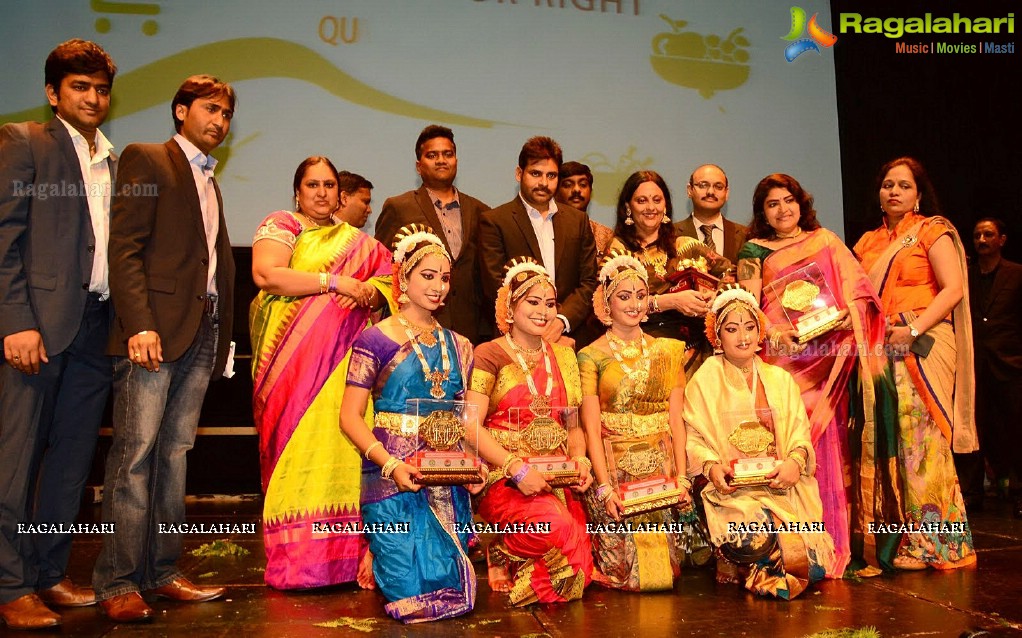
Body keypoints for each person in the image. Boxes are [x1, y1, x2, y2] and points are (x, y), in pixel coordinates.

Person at [93, 75, 237, 622]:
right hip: (152, 334)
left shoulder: (211, 180)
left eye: (226, 113)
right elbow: (124, 248)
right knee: (134, 457)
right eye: (210, 109)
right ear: (180, 111)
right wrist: (139, 323)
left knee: (174, 457)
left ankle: (162, 570)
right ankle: (117, 582)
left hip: (200, 332)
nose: (219, 120)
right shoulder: (146, 158)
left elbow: (212, 263)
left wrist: (222, 335)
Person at [0, 39, 116, 630]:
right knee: (15, 461)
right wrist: (15, 321)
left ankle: (48, 572)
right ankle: (9, 582)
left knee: (71, 464)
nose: (92, 98)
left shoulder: (113, 159)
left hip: (96, 328)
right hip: (37, 328)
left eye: (99, 89)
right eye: (79, 87)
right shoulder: (25, 142)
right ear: (53, 93)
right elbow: (4, 239)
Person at [735, 174, 892, 578]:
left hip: (826, 361)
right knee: (787, 445)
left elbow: (860, 295)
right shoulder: (752, 251)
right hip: (783, 363)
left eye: (789, 201)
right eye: (773, 204)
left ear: (801, 203)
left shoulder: (825, 241)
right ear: (762, 212)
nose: (783, 209)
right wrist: (772, 333)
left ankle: (833, 542)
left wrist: (846, 315)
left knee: (827, 450)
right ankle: (794, 545)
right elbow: (748, 307)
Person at [249, 156, 392, 590]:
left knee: (343, 453)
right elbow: (267, 275)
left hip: (343, 373)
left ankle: (344, 561)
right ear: (297, 191)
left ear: (340, 193)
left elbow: (391, 283)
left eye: (329, 185)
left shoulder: (359, 243)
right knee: (294, 459)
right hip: (288, 374)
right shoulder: (283, 225)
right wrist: (336, 283)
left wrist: (369, 290)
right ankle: (297, 564)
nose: (322, 192)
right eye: (312, 185)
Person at [852, 156, 976, 571]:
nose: (894, 192)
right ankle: (901, 540)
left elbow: (953, 288)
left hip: (923, 344)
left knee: (924, 444)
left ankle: (939, 545)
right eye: (888, 184)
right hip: (881, 348)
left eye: (904, 186)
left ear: (919, 194)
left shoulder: (932, 231)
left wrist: (916, 329)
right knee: (893, 444)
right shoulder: (868, 243)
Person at [684, 286, 836, 599]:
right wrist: (712, 469)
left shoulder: (780, 380)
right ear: (717, 336)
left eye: (750, 327)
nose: (743, 337)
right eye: (732, 329)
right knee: (751, 537)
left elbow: (799, 433)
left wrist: (795, 462)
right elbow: (693, 438)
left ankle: (756, 566)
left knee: (815, 565)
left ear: (760, 331)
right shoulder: (705, 378)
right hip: (733, 493)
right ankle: (743, 560)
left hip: (781, 487)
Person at [465, 257, 593, 606]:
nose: (543, 311)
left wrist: (581, 460)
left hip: (557, 477)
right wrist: (517, 469)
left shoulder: (565, 356)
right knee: (561, 534)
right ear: (510, 307)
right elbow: (469, 425)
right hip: (506, 477)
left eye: (550, 304)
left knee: (584, 558)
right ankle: (503, 546)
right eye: (532, 302)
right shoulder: (489, 353)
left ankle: (512, 553)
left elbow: (573, 424)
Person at [578, 251, 691, 591]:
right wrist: (604, 488)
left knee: (665, 573)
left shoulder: (668, 351)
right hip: (614, 470)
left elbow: (676, 420)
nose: (634, 304)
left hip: (661, 467)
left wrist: (682, 479)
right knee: (624, 570)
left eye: (640, 296)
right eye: (624, 297)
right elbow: (591, 429)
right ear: (606, 303)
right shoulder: (591, 355)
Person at [479, 136, 598, 347]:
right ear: (519, 173)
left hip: (569, 339)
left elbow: (588, 282)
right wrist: (538, 321)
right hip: (516, 342)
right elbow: (496, 287)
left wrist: (561, 321)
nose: (544, 183)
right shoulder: (495, 221)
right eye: (536, 174)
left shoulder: (577, 221)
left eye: (551, 175)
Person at [376, 125, 490, 344]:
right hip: (413, 326)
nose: (441, 160)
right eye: (432, 155)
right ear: (419, 166)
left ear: (456, 160)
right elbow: (383, 268)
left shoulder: (481, 210)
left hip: (470, 329)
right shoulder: (399, 207)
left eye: (448, 154)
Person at [607, 171, 727, 374]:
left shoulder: (685, 245)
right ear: (628, 207)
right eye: (641, 200)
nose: (651, 207)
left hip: (695, 357)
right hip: (641, 356)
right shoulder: (619, 252)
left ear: (666, 206)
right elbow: (608, 306)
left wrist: (715, 296)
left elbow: (730, 276)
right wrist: (671, 301)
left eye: (657, 200)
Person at [966, 218, 1022, 518]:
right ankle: (972, 493)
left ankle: (1019, 492)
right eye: (977, 235)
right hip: (975, 366)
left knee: (1017, 430)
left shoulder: (1016, 274)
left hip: (1011, 365)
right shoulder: (966, 277)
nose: (982, 239)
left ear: (1001, 239)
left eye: (988, 234)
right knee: (974, 429)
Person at [676, 164, 748, 263]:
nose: (710, 192)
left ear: (726, 193)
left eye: (718, 187)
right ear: (689, 190)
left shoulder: (746, 235)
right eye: (703, 185)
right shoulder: (670, 234)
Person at [556, 161, 613, 258]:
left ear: (590, 191)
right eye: (568, 185)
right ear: (555, 192)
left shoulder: (607, 237)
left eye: (583, 184)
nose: (576, 190)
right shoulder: (546, 232)